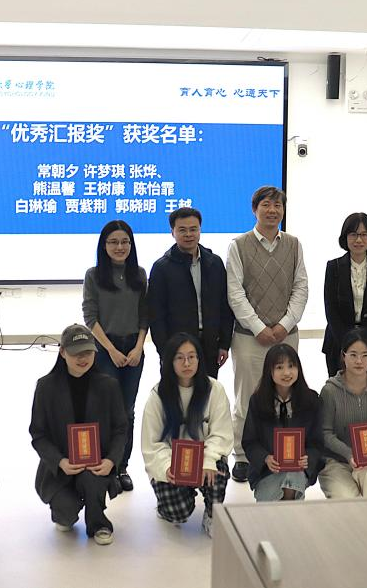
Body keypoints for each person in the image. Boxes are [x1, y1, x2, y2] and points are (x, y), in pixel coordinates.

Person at [227, 185, 308, 483]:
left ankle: (281, 451)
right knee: (247, 396)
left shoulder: (294, 245)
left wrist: (284, 324)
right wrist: (259, 327)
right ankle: (242, 455)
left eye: (278, 205)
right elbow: (235, 292)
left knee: (286, 393)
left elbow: (301, 287)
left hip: (286, 335)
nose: (272, 210)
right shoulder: (238, 245)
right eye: (266, 205)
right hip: (249, 337)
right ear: (254, 209)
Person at [30, 324, 127, 545]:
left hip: (95, 464)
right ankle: (65, 508)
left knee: (92, 481)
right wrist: (60, 461)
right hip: (61, 466)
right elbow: (38, 434)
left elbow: (121, 429)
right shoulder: (46, 387)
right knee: (65, 517)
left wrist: (111, 460)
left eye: (88, 352)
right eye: (76, 353)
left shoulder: (109, 386)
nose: (82, 358)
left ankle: (98, 522)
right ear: (63, 352)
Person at [142, 333, 233, 536]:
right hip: (173, 461)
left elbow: (221, 433)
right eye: (180, 357)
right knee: (177, 512)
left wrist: (208, 460)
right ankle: (169, 505)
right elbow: (152, 443)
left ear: (199, 359)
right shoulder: (158, 395)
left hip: (204, 457)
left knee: (217, 472)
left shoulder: (214, 389)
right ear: (169, 362)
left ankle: (212, 513)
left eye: (192, 357)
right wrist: (167, 467)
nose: (186, 363)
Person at [83, 219, 148, 492]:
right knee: (106, 410)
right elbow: (90, 317)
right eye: (113, 242)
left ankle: (122, 467)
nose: (119, 247)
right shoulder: (94, 275)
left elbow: (145, 314)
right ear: (104, 245)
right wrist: (110, 349)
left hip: (133, 349)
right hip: (104, 349)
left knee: (127, 411)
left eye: (124, 242)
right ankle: (104, 465)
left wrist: (138, 347)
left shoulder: (139, 274)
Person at [147, 206, 235, 379]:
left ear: (200, 230)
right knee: (176, 394)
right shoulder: (161, 268)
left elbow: (225, 306)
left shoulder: (214, 263)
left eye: (193, 229)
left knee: (207, 392)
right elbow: (156, 315)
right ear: (172, 232)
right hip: (177, 348)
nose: (188, 234)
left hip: (210, 345)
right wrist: (165, 351)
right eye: (182, 230)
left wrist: (224, 344)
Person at [317, 330, 367, 498]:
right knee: (347, 500)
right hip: (336, 462)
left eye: (365, 355)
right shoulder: (330, 390)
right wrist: (349, 454)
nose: (359, 361)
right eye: (353, 355)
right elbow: (325, 433)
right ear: (343, 356)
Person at [241, 344, 321, 501]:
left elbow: (318, 440)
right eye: (279, 367)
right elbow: (249, 441)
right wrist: (265, 458)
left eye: (291, 366)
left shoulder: (311, 399)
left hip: (298, 468)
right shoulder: (257, 401)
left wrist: (308, 457)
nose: (286, 373)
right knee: (273, 505)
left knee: (291, 480)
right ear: (269, 371)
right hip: (267, 470)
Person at [322, 212, 367, 376]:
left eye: (364, 234)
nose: (358, 240)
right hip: (338, 342)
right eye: (353, 234)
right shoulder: (333, 267)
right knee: (339, 389)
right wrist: (348, 343)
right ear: (345, 237)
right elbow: (330, 308)